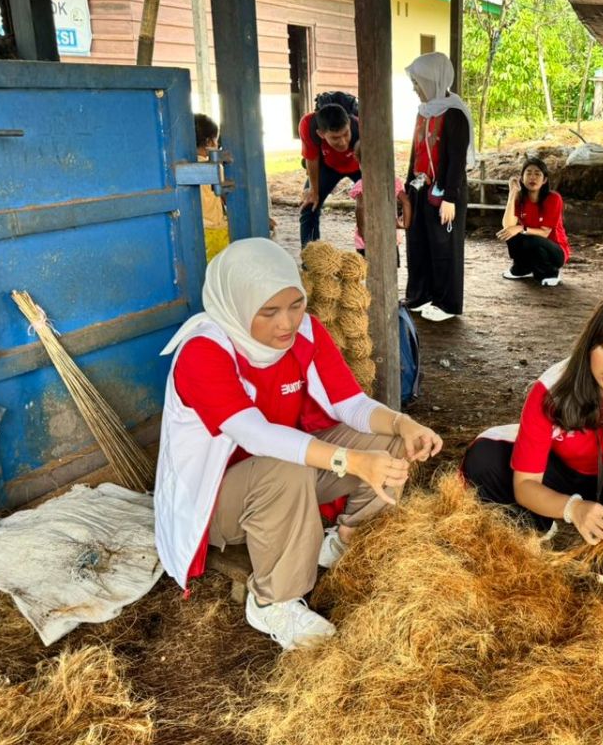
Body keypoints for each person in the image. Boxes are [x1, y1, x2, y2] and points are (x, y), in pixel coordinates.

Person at [154, 238, 443, 650]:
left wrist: (402, 422)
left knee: (388, 442)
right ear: (235, 305)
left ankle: (343, 542)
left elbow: (350, 403)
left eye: (295, 305)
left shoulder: (305, 332)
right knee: (284, 466)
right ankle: (273, 601)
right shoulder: (203, 352)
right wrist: (350, 460)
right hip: (217, 501)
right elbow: (255, 434)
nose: (286, 323)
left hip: (284, 479)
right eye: (268, 312)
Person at [462, 289, 603, 582]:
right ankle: (538, 518)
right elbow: (526, 483)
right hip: (564, 471)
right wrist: (572, 508)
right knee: (484, 460)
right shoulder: (551, 390)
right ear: (589, 342)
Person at [403, 52, 474, 323]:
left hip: (445, 191)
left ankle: (447, 302)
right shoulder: (423, 111)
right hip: (420, 189)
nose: (415, 89)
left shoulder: (454, 114)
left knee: (444, 246)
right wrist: (408, 190)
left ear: (433, 81)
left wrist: (450, 198)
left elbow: (456, 159)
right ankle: (420, 295)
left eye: (418, 83)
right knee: (418, 242)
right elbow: (416, 152)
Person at [498, 157, 569, 287]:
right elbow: (507, 226)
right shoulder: (521, 199)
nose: (533, 177)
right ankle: (522, 268)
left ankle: (551, 273)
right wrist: (512, 194)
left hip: (555, 252)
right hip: (533, 247)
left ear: (545, 180)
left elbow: (545, 233)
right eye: (528, 173)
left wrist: (521, 228)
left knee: (531, 239)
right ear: (522, 178)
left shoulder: (553, 198)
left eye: (537, 174)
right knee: (510, 233)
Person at [299, 102, 361, 248]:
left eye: (346, 134)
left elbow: (371, 161)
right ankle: (312, 260)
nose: (343, 141)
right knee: (309, 206)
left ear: (349, 124)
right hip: (327, 165)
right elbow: (311, 158)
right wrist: (313, 191)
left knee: (373, 206)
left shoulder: (361, 125)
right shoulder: (308, 125)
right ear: (321, 134)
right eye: (335, 138)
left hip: (359, 164)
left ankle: (369, 258)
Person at [348, 142, 410, 259]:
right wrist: (404, 224)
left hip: (366, 242)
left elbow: (360, 207)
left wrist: (363, 233)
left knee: (368, 272)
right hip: (390, 237)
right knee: (390, 270)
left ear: (360, 162)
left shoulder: (361, 185)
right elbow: (406, 202)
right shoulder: (394, 182)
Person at [194, 113, 230, 262]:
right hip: (216, 229)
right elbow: (225, 196)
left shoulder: (187, 165)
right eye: (215, 140)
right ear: (208, 142)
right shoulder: (213, 168)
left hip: (199, 229)